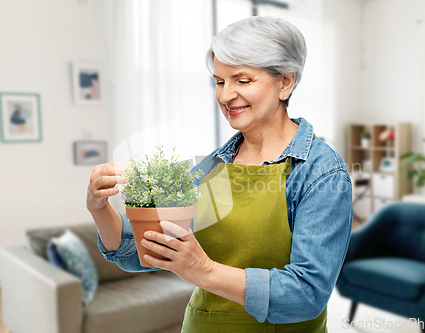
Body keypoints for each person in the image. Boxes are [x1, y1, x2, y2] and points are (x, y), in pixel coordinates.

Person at [87, 16, 353, 332]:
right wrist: (99, 208)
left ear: (285, 82)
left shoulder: (320, 173)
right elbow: (142, 253)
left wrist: (203, 270)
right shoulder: (216, 166)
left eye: (242, 80)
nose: (225, 96)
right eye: (219, 81)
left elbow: (307, 295)